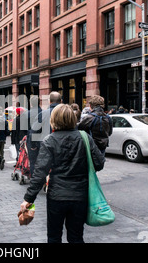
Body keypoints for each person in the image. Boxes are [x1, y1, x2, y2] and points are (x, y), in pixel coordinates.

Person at [20, 104, 105, 243]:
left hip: (56, 196)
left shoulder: (50, 140)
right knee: (76, 237)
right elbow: (99, 163)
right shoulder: (84, 138)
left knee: (54, 237)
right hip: (80, 195)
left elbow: (40, 173)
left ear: (53, 120)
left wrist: (28, 199)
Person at [29, 92, 61, 175]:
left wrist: (33, 146)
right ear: (61, 101)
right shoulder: (68, 114)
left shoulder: (42, 114)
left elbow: (34, 131)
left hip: (45, 146)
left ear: (49, 101)